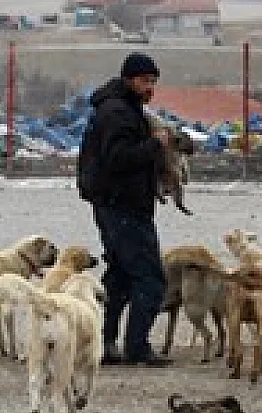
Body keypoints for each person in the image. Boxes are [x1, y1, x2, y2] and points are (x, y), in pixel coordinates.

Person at [86, 52, 172, 366]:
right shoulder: (117, 113)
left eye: (153, 82)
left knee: (120, 275)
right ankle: (137, 346)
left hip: (117, 205)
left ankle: (104, 342)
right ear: (129, 79)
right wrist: (155, 146)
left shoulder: (121, 109)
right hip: (123, 206)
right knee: (149, 277)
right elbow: (118, 158)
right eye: (145, 81)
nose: (150, 88)